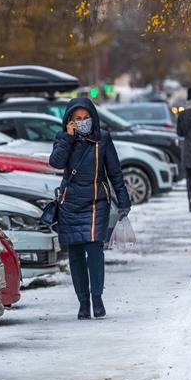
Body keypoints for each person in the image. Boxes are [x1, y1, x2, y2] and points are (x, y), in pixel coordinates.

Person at [49, 98, 132, 320]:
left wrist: (124, 201)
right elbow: (56, 163)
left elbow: (115, 171)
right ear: (69, 120)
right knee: (75, 252)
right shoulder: (62, 138)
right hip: (70, 203)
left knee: (94, 248)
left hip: (96, 202)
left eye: (86, 118)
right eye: (77, 118)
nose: (82, 122)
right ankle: (83, 301)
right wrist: (68, 137)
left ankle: (97, 297)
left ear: (93, 118)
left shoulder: (102, 138)